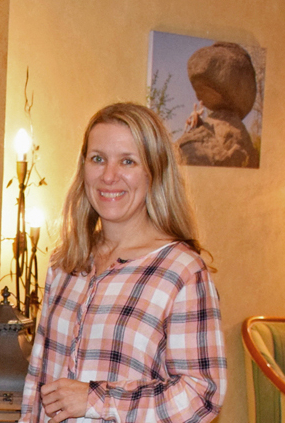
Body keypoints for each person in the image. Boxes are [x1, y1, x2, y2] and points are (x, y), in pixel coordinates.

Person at [18, 103, 226, 422]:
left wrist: (96, 398)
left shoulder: (181, 271)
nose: (109, 176)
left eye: (127, 161)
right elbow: (39, 380)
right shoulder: (66, 261)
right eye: (98, 159)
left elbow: (202, 394)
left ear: (153, 172)